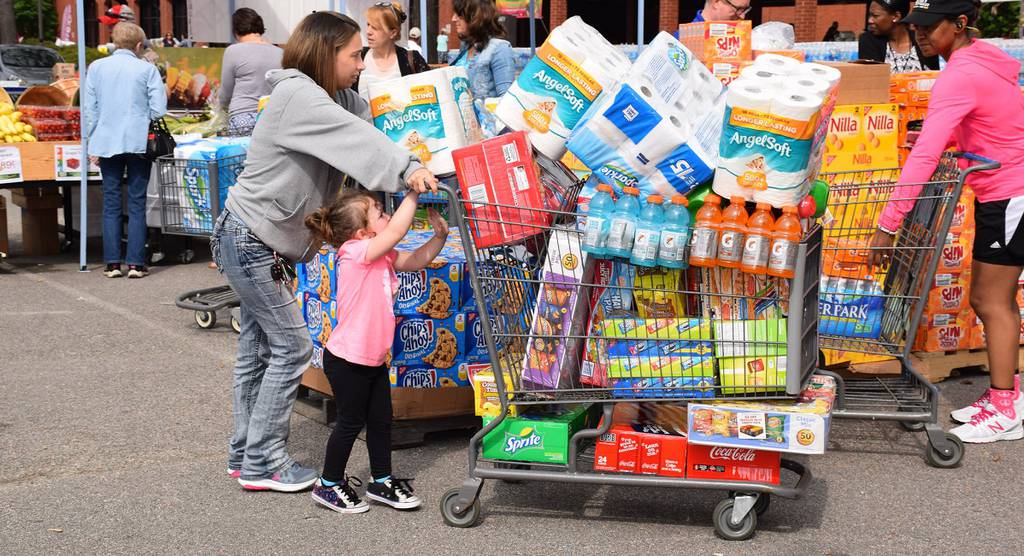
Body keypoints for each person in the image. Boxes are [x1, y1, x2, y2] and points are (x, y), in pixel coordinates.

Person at [210, 11, 438, 493]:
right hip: (251, 239)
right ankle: (263, 463)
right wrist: (409, 167)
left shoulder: (335, 98)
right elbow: (358, 140)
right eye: (354, 55)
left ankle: (243, 453)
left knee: (257, 352)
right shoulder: (298, 96)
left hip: (257, 240)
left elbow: (371, 123)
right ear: (325, 53)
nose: (362, 62)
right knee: (292, 348)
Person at [868, 0, 1024, 443]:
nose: (918, 34)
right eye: (914, 26)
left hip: (1010, 193)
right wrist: (948, 135)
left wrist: (888, 223)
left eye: (928, 27)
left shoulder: (959, 73)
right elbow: (992, 121)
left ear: (958, 25)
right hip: (1008, 188)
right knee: (994, 299)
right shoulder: (982, 61)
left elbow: (925, 156)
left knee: (991, 302)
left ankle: (1005, 407)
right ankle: (1003, 398)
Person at [306, 191, 448, 513]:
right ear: (363, 233)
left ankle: (381, 480)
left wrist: (439, 238)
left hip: (372, 358)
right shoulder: (355, 253)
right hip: (347, 360)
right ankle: (328, 484)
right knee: (350, 422)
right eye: (380, 213)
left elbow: (416, 260)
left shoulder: (380, 255)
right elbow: (397, 230)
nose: (388, 217)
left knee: (381, 420)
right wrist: (414, 192)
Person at [83, 22, 166, 279]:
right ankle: (136, 263)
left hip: (106, 141)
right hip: (139, 140)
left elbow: (90, 110)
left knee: (111, 201)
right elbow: (159, 109)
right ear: (139, 45)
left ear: (114, 42)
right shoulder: (146, 69)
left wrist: (90, 142)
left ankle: (111, 263)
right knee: (137, 201)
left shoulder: (96, 68)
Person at [219, 8, 283, 135]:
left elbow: (226, 93)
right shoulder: (280, 53)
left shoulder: (233, 51)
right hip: (272, 119)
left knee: (241, 154)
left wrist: (221, 109)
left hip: (242, 118)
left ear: (236, 30)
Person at [355, 2, 430, 99]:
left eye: (375, 28)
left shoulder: (411, 59)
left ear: (393, 33)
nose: (368, 31)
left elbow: (429, 95)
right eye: (368, 25)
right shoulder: (359, 56)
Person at [449, 0, 514, 99]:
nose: (453, 19)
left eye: (459, 14)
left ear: (475, 16)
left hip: (484, 114)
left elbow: (506, 100)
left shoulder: (500, 48)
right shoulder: (465, 48)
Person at [858, 0, 940, 72]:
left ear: (896, 16)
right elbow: (872, 80)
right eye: (870, 15)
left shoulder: (921, 39)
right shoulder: (868, 41)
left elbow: (933, 75)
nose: (870, 20)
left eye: (875, 16)